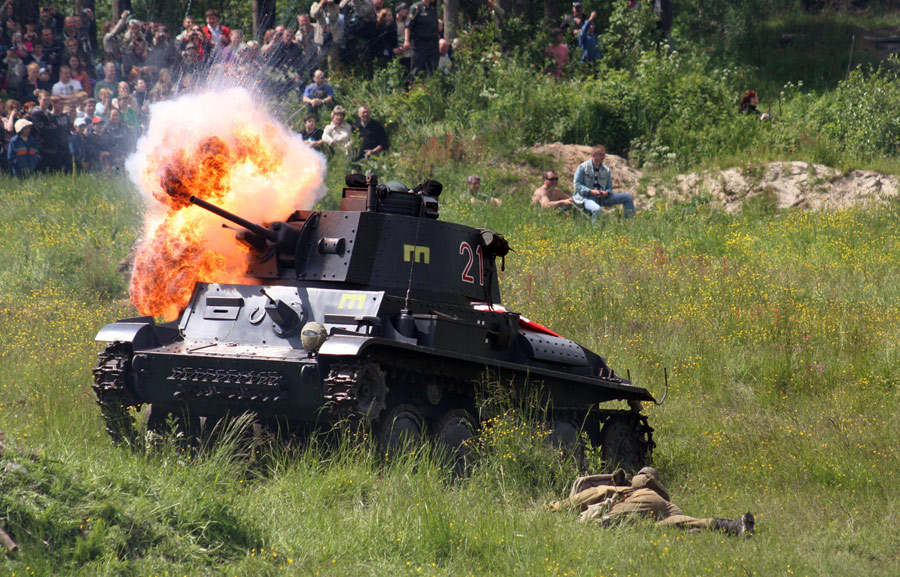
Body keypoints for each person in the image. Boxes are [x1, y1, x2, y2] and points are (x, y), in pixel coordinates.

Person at [552, 467, 755, 537]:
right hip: (662, 512)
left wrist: (558, 506)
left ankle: (604, 523)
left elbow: (599, 491)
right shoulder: (665, 500)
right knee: (688, 522)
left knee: (604, 523)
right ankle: (735, 526)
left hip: (636, 503)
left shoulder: (631, 488)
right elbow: (678, 516)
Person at [573, 145, 635, 218]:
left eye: (604, 154)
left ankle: (630, 222)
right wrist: (590, 191)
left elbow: (609, 187)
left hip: (602, 198)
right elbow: (577, 185)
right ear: (594, 155)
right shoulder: (583, 167)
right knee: (597, 209)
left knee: (627, 197)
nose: (603, 157)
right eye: (601, 155)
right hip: (586, 198)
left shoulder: (606, 170)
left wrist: (607, 193)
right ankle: (596, 229)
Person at [403, 0, 439, 78]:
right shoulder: (416, 8)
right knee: (417, 70)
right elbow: (408, 26)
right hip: (420, 43)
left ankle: (433, 88)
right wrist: (406, 40)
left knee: (433, 69)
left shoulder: (432, 8)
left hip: (433, 43)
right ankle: (415, 87)